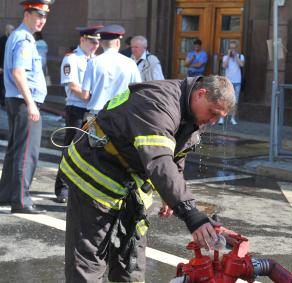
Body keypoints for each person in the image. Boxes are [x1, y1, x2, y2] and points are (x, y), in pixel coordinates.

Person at [61, 75, 235, 282]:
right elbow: (160, 160)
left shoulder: (192, 113)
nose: (213, 121)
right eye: (213, 113)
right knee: (89, 263)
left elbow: (174, 156)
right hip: (94, 176)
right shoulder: (158, 103)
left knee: (131, 262)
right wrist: (191, 214)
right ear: (201, 94)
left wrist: (170, 196)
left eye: (219, 117)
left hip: (128, 181)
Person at [0, 0, 53, 214]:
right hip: (24, 101)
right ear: (27, 14)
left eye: (45, 16)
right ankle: (21, 200)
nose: (42, 20)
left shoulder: (23, 36)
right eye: (38, 15)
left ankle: (6, 194)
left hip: (17, 100)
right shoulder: (23, 38)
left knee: (15, 150)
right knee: (26, 153)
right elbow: (18, 72)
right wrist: (31, 104)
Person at [53, 26, 101, 203]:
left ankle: (80, 187)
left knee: (88, 149)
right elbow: (72, 85)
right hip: (77, 108)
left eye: (97, 42)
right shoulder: (71, 59)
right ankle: (62, 188)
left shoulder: (96, 59)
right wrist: (88, 98)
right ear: (82, 40)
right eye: (92, 41)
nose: (95, 45)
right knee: (70, 148)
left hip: (93, 110)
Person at [81, 24, 141, 114]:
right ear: (118, 42)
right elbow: (137, 91)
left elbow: (85, 95)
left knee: (88, 127)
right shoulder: (130, 63)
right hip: (121, 113)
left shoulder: (93, 63)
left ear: (101, 44)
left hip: (96, 114)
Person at [218, 41, 244, 125]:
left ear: (236, 49)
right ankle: (221, 118)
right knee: (224, 100)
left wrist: (236, 56)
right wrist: (229, 56)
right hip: (228, 82)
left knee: (235, 101)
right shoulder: (225, 57)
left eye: (234, 48)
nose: (232, 50)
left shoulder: (241, 56)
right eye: (231, 48)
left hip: (237, 82)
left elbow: (241, 65)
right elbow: (224, 66)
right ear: (228, 49)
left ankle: (233, 118)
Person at [0, 24, 15, 107]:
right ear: (7, 30)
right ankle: (3, 102)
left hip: (10, 67)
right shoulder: (1, 40)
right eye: (11, 29)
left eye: (13, 29)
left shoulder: (13, 40)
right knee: (2, 84)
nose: (12, 31)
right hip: (2, 67)